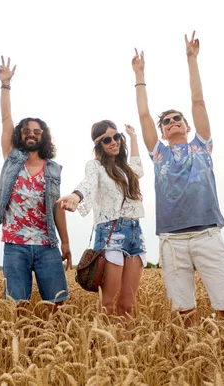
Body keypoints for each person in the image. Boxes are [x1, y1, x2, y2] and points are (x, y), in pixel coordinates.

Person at [132, 31, 224, 326]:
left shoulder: (202, 146)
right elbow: (144, 116)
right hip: (172, 240)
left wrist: (192, 59)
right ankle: (194, 359)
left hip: (208, 234)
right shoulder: (158, 154)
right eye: (166, 122)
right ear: (163, 132)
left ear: (187, 125)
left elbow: (198, 101)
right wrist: (139, 75)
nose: (171, 123)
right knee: (184, 312)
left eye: (176, 119)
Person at [0, 56, 72, 307]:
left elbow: (57, 207)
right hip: (15, 245)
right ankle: (21, 346)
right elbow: (5, 120)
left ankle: (56, 344)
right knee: (17, 305)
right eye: (26, 131)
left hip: (47, 243)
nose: (31, 135)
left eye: (37, 131)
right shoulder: (12, 159)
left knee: (57, 304)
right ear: (20, 135)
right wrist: (5, 85)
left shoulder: (53, 169)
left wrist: (66, 242)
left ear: (43, 137)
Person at [57, 121, 146, 320]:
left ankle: (129, 349)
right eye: (107, 139)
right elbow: (87, 184)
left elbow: (138, 166)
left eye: (116, 137)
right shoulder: (95, 166)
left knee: (127, 305)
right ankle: (107, 349)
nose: (113, 142)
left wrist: (133, 138)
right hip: (111, 233)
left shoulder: (127, 169)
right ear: (99, 145)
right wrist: (75, 196)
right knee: (108, 305)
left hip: (135, 233)